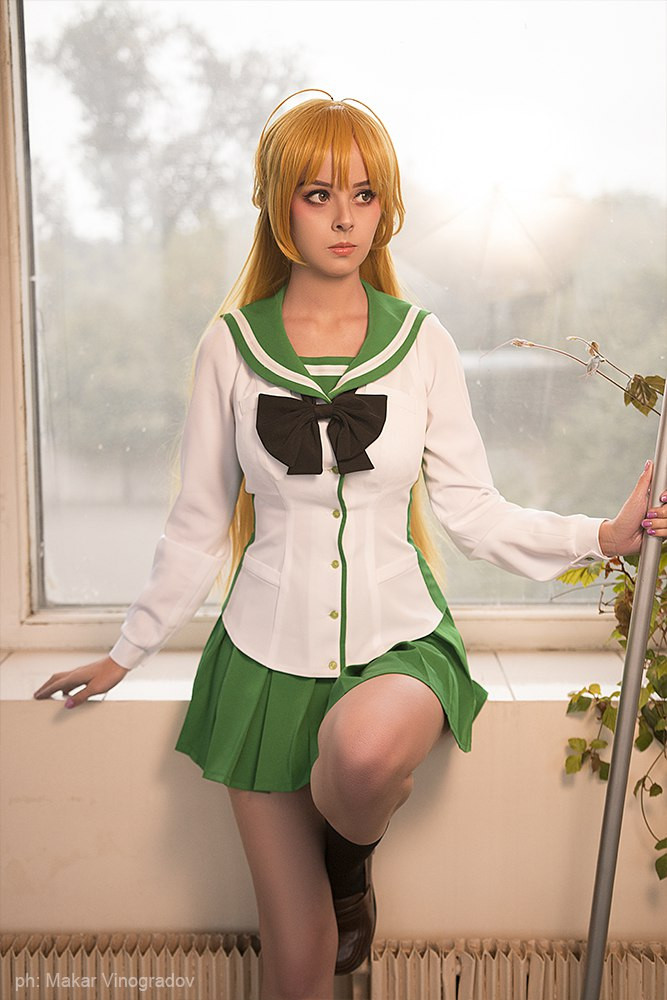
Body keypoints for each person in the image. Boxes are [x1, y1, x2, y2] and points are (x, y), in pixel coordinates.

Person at [34, 90, 667, 1000]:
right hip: (260, 662)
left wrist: (603, 536)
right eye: (318, 194)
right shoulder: (228, 348)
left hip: (397, 641)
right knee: (298, 964)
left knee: (364, 755)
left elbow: (471, 510)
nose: (343, 218)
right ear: (278, 204)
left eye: (364, 195)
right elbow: (198, 523)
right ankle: (333, 891)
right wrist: (123, 653)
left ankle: (348, 860)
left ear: (386, 207)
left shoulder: (423, 342)